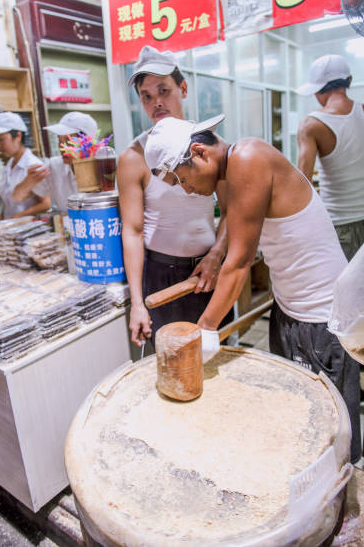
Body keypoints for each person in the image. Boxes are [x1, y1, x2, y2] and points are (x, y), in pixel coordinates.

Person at [144, 114, 361, 464]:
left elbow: (242, 262)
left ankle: (344, 500)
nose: (186, 189)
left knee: (332, 431)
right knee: (296, 417)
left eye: (182, 179)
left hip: (321, 317)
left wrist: (207, 328)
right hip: (290, 307)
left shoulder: (248, 158)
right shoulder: (231, 170)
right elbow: (235, 224)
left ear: (199, 153)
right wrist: (215, 256)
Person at [117, 46, 232, 348]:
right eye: (146, 96)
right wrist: (138, 303)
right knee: (172, 363)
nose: (157, 102)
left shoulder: (211, 146)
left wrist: (216, 256)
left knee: (216, 358)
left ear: (183, 88)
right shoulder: (133, 157)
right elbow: (132, 230)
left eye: (164, 90)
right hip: (160, 275)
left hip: (207, 269)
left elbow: (232, 209)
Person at [297, 54, 364, 261]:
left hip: (339, 225)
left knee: (345, 291)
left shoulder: (312, 125)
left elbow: (302, 184)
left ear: (318, 90)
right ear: (349, 81)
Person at [13, 112, 98, 213]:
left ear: (88, 142)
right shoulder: (54, 166)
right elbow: (17, 197)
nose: (62, 147)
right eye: (59, 140)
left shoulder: (105, 167)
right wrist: (29, 181)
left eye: (68, 141)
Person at [0, 112, 50, 219]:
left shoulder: (34, 165)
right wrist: (1, 219)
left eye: (1, 140)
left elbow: (46, 204)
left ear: (18, 136)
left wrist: (17, 217)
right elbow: (9, 201)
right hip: (11, 228)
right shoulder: (10, 164)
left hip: (29, 229)